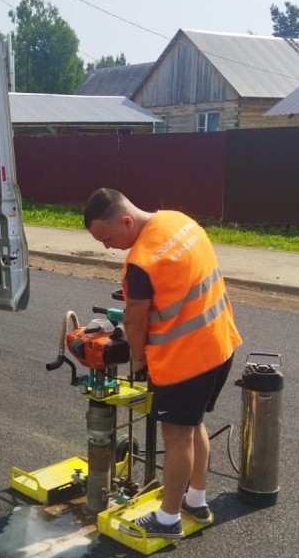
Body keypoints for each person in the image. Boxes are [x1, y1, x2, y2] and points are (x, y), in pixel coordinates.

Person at [84, 188, 242, 538]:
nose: (109, 247)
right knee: (194, 423)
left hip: (185, 360)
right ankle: (196, 500)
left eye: (108, 238)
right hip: (220, 344)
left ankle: (167, 519)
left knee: (177, 437)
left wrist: (139, 362)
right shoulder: (181, 222)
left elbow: (136, 321)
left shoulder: (142, 261)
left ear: (126, 220)